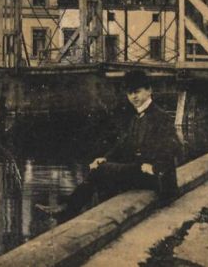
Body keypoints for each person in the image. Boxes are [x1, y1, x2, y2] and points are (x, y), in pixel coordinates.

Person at [37, 70, 180, 223]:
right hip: (141, 172)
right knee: (101, 168)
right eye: (130, 93)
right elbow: (123, 145)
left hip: (157, 178)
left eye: (137, 92)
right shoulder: (136, 117)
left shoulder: (161, 117)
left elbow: (171, 148)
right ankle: (72, 211)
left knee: (101, 171)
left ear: (149, 90)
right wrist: (104, 158)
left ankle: (68, 210)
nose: (133, 97)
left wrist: (153, 168)